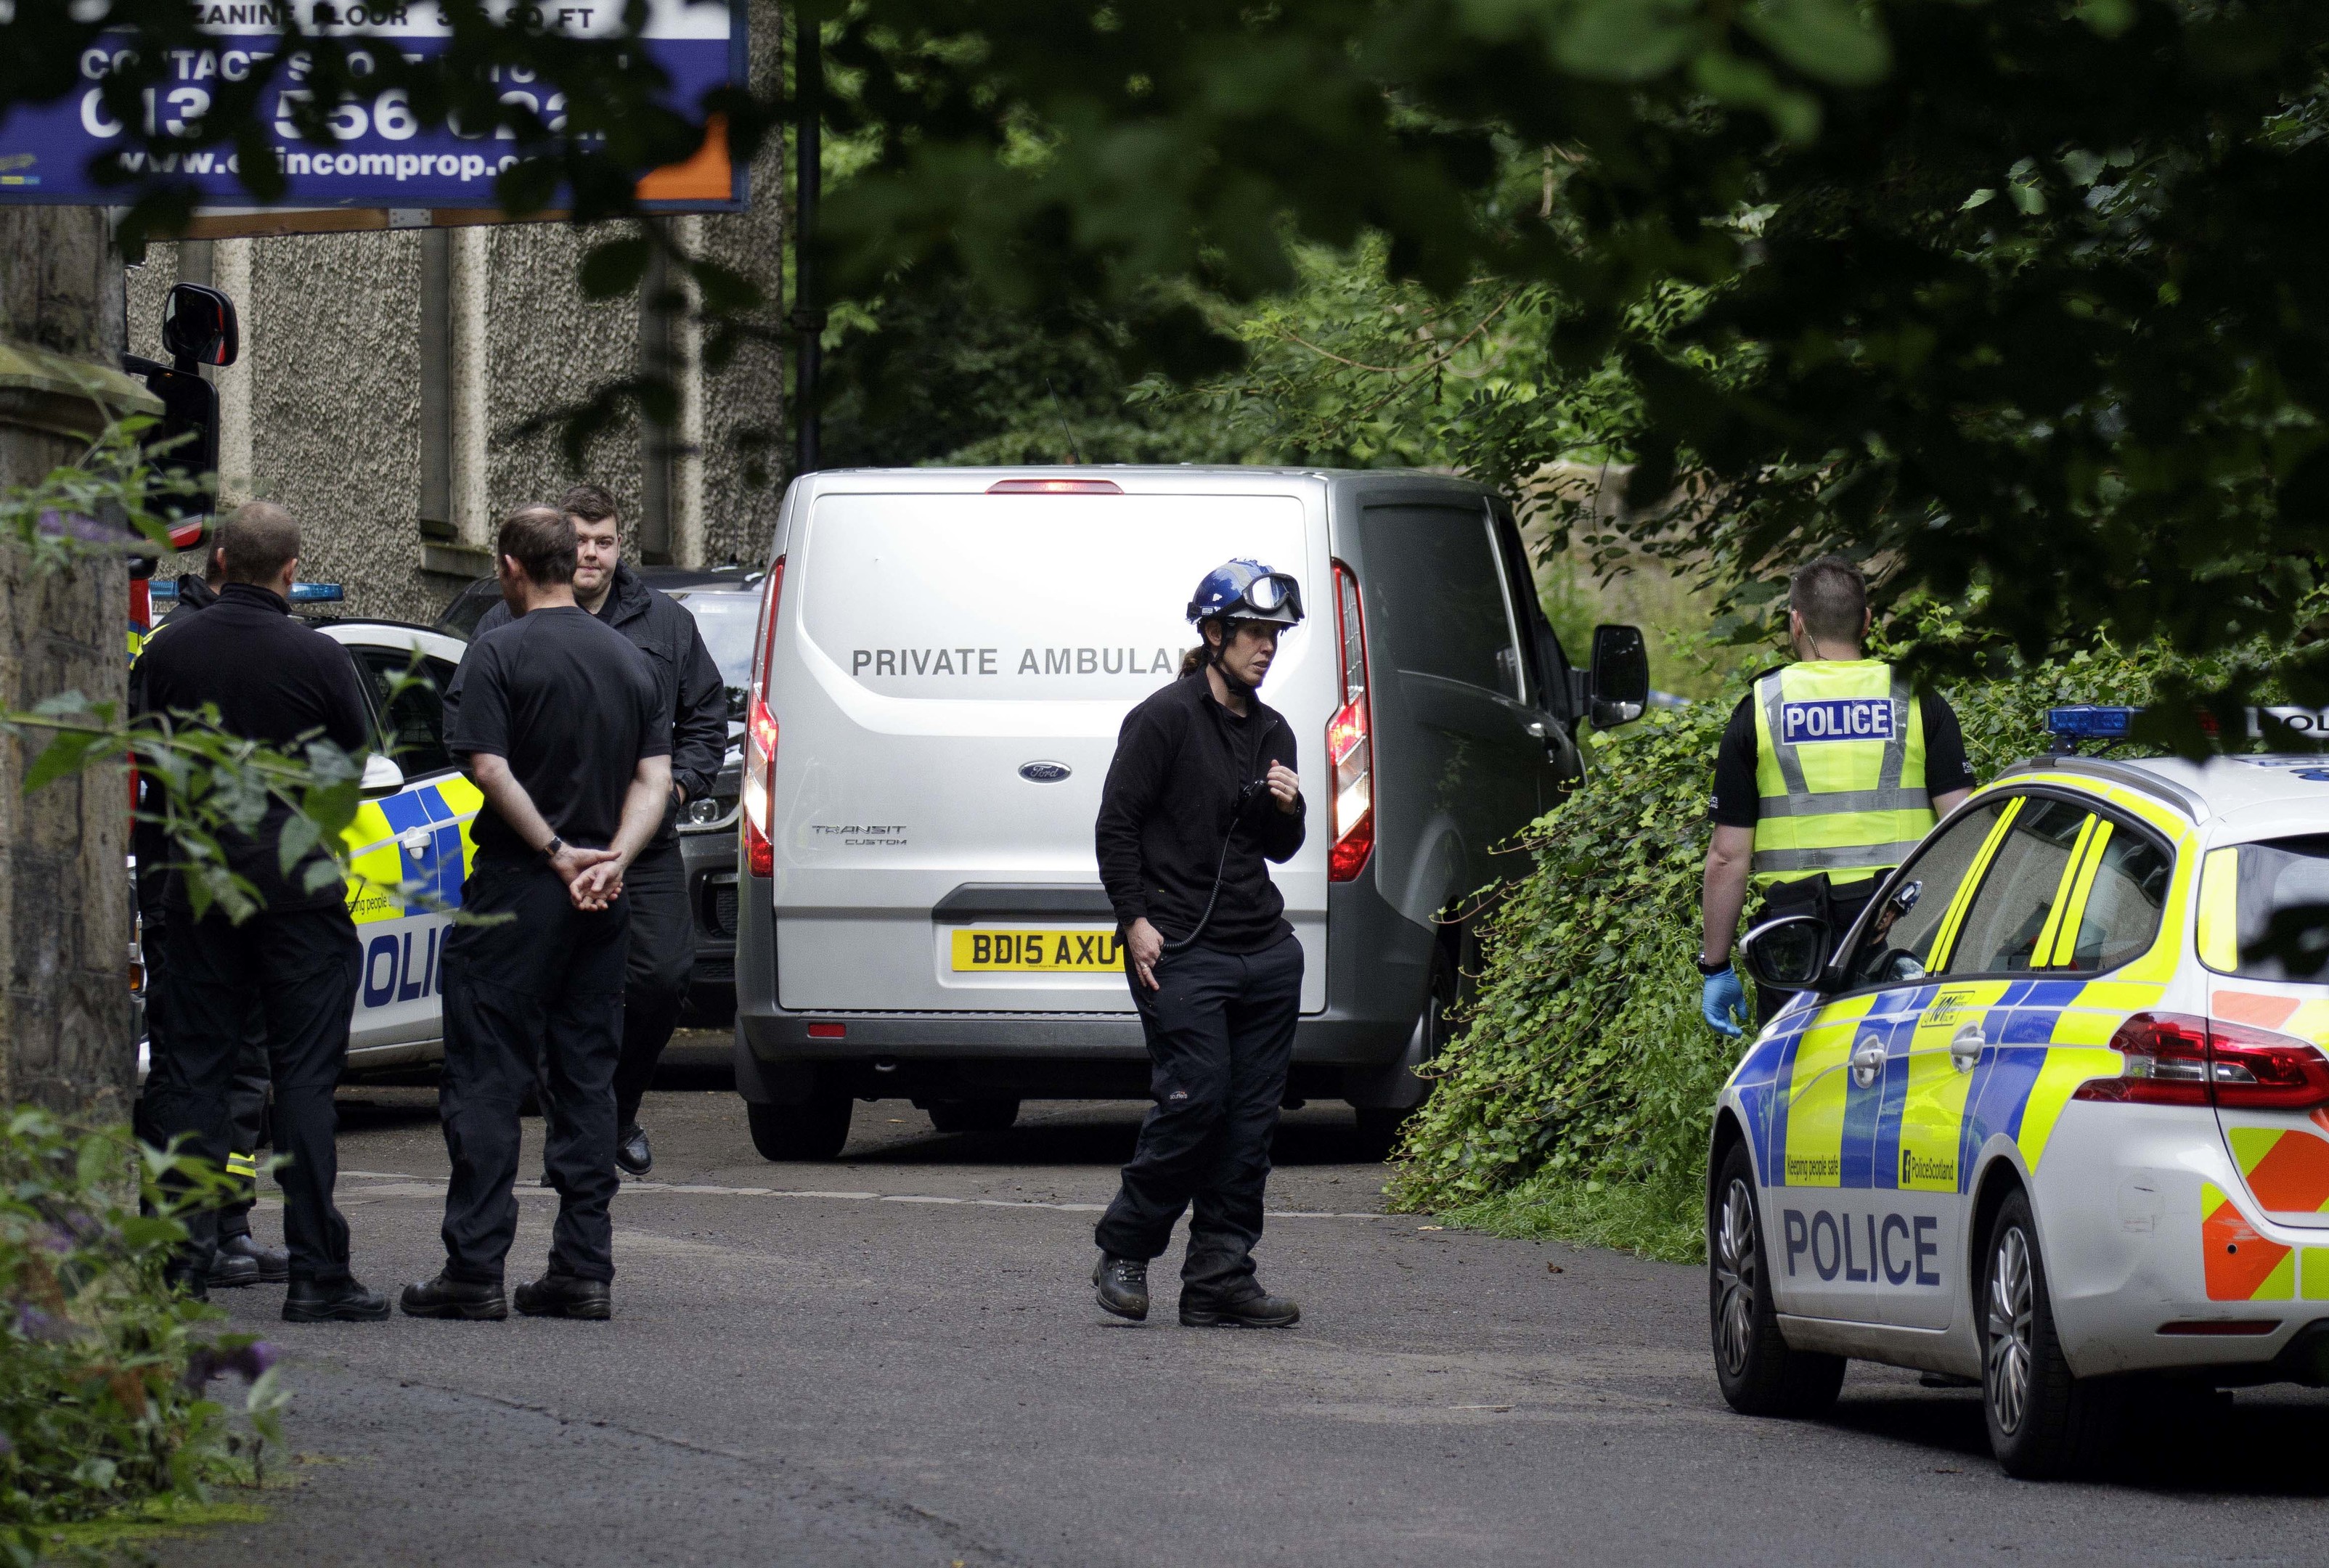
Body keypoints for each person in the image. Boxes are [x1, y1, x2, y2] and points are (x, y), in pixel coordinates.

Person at [401, 505, 671, 1323]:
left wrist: (557, 853)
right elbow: (654, 780)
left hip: (521, 888)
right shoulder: (631, 659)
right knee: (587, 1078)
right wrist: (613, 857)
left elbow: (487, 765)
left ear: (513, 567)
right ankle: (583, 1268)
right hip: (603, 897)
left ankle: (474, 1270)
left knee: (486, 1076)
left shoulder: (497, 652)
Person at [134, 502, 388, 1322]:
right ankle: (319, 1271)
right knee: (306, 1078)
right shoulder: (315, 655)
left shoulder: (169, 649)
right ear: (291, 569)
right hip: (297, 895)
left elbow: (148, 758)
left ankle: (176, 1264)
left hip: (199, 887)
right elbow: (353, 764)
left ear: (217, 560)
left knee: (192, 1072)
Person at [469, 483, 725, 1178]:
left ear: (621, 546)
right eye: (580, 540)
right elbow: (480, 742)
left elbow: (705, 721)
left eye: (605, 541)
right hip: (538, 843)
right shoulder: (501, 626)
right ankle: (578, 1130)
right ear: (557, 545)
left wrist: (676, 787)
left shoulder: (664, 625)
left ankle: (611, 1115)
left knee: (661, 979)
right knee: (552, 991)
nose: (592, 554)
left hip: (639, 842)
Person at [1090, 559, 1308, 1329]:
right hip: (1179, 945)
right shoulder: (1163, 720)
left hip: (1263, 950)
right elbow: (1116, 826)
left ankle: (1219, 1275)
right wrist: (1134, 919)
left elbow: (1279, 848)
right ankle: (1125, 1247)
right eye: (1253, 633)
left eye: (1274, 636)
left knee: (1250, 1123)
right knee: (1196, 1101)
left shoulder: (1273, 730)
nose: (1266, 648)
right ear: (1213, 634)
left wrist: (1290, 808)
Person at [1697, 556, 1975, 1036]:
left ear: (1796, 621)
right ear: (1867, 621)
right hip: (1904, 930)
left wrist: (1716, 965)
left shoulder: (1761, 708)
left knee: (1799, 1085)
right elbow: (1967, 830)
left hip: (1798, 944)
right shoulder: (1916, 698)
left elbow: (1727, 857)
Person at [131, 545, 283, 1291]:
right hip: (187, 889)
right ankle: (185, 1227)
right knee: (193, 1064)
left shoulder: (189, 639)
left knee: (239, 1067)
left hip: (211, 886)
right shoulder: (178, 644)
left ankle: (229, 1222)